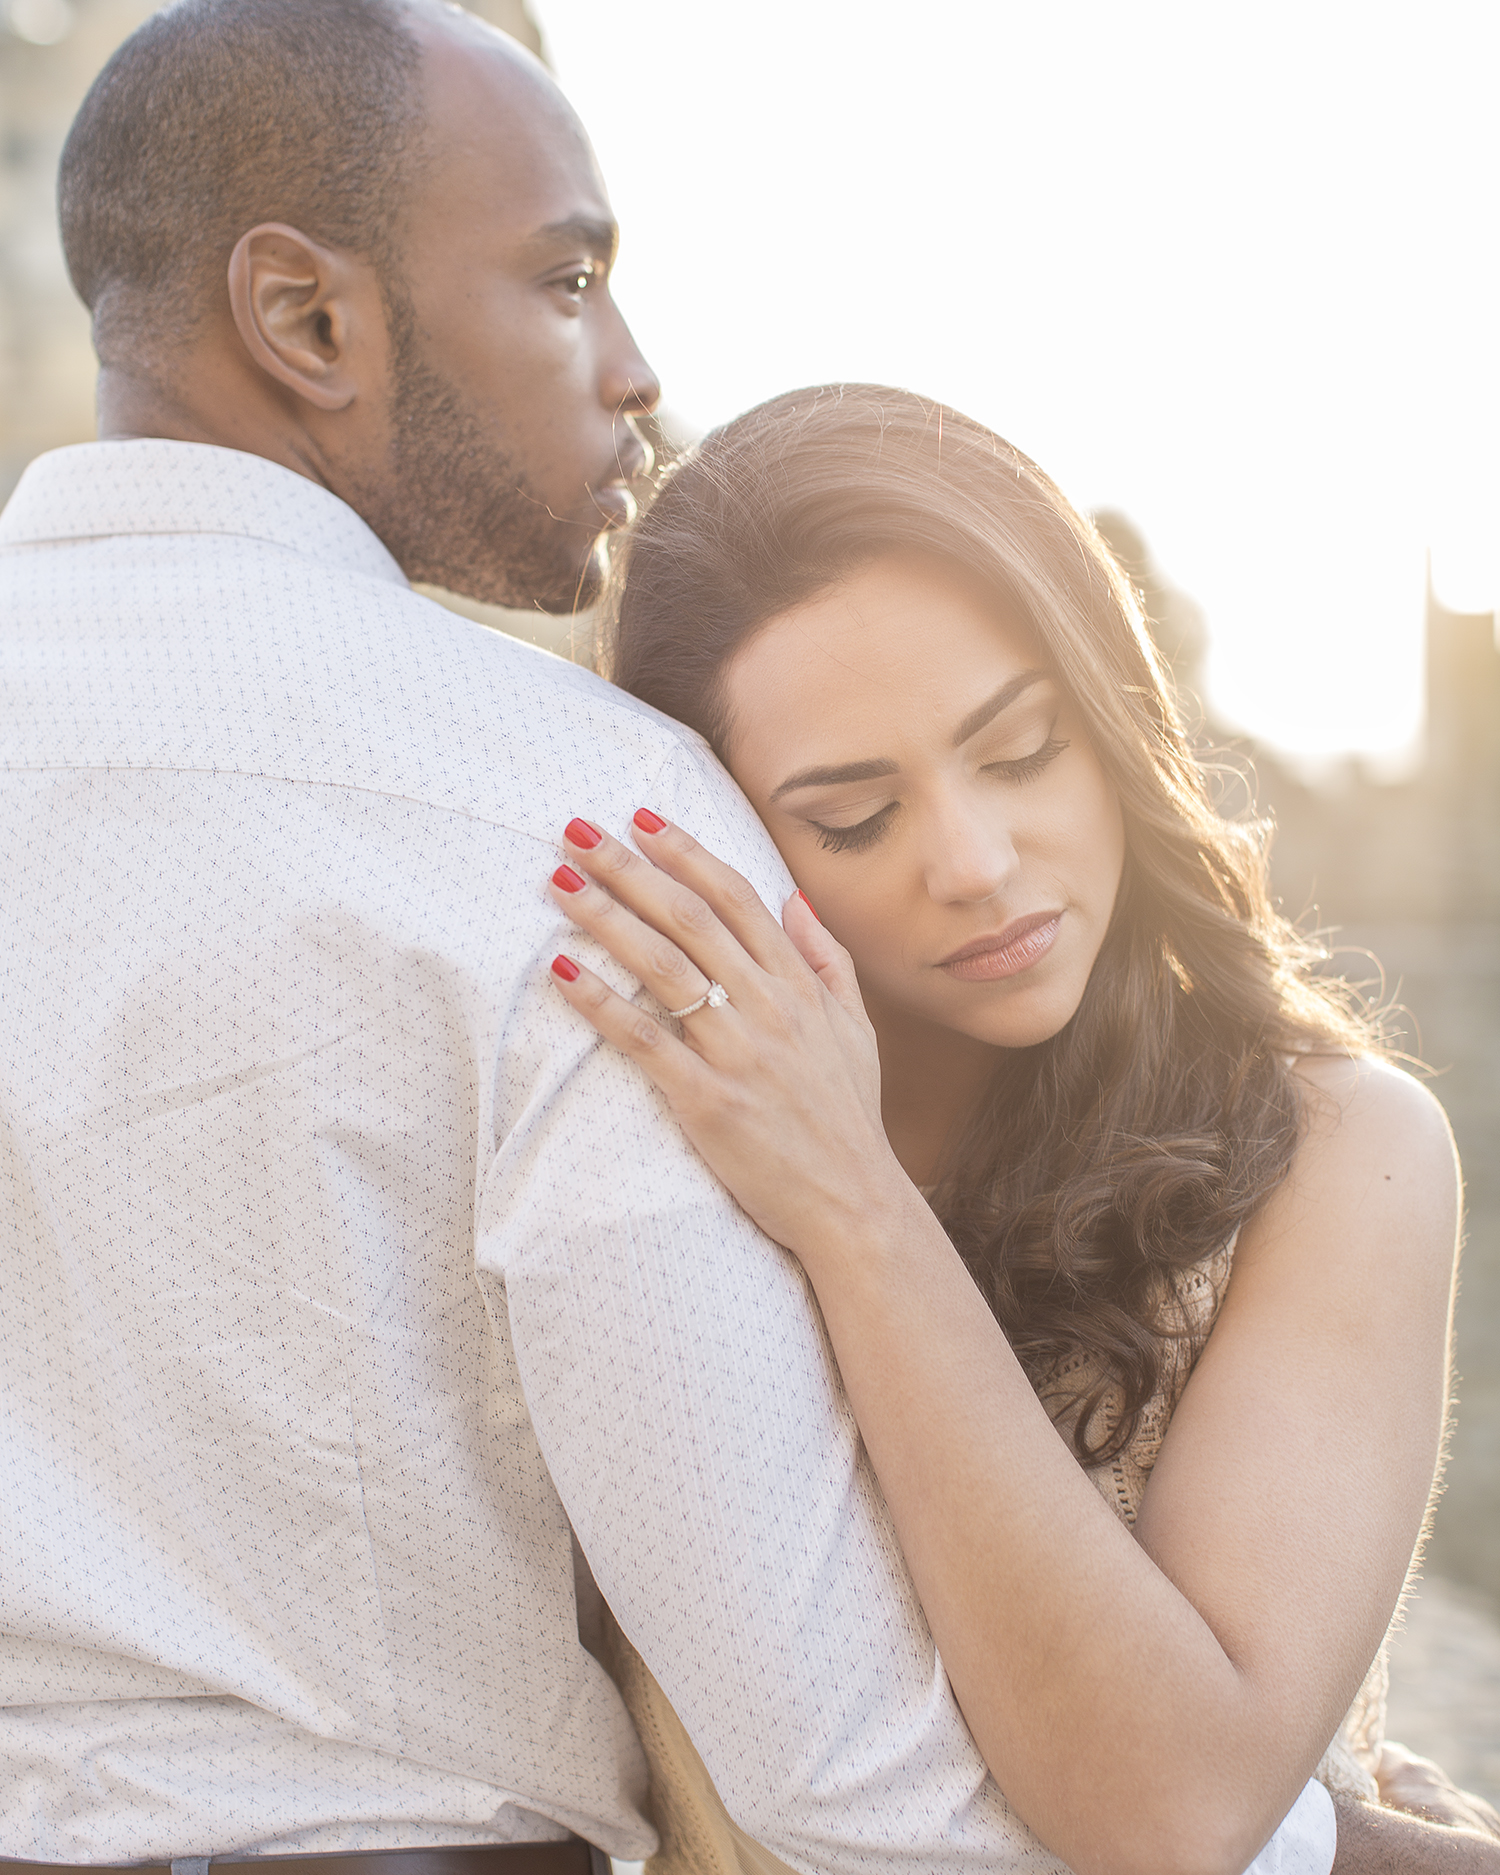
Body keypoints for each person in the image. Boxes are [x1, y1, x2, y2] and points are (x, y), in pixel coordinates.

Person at [0, 3, 1345, 1873]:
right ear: (309, 320)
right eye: (567, 281)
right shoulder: (577, 827)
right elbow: (839, 1770)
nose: (634, 369)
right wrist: (1329, 1847)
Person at [543, 385, 1500, 1872]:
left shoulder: (1334, 1149)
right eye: (855, 819)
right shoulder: (615, 1156)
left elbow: (1171, 1810)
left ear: (1111, 712)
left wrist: (854, 1209)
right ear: (722, 833)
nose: (981, 867)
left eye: (1022, 749)